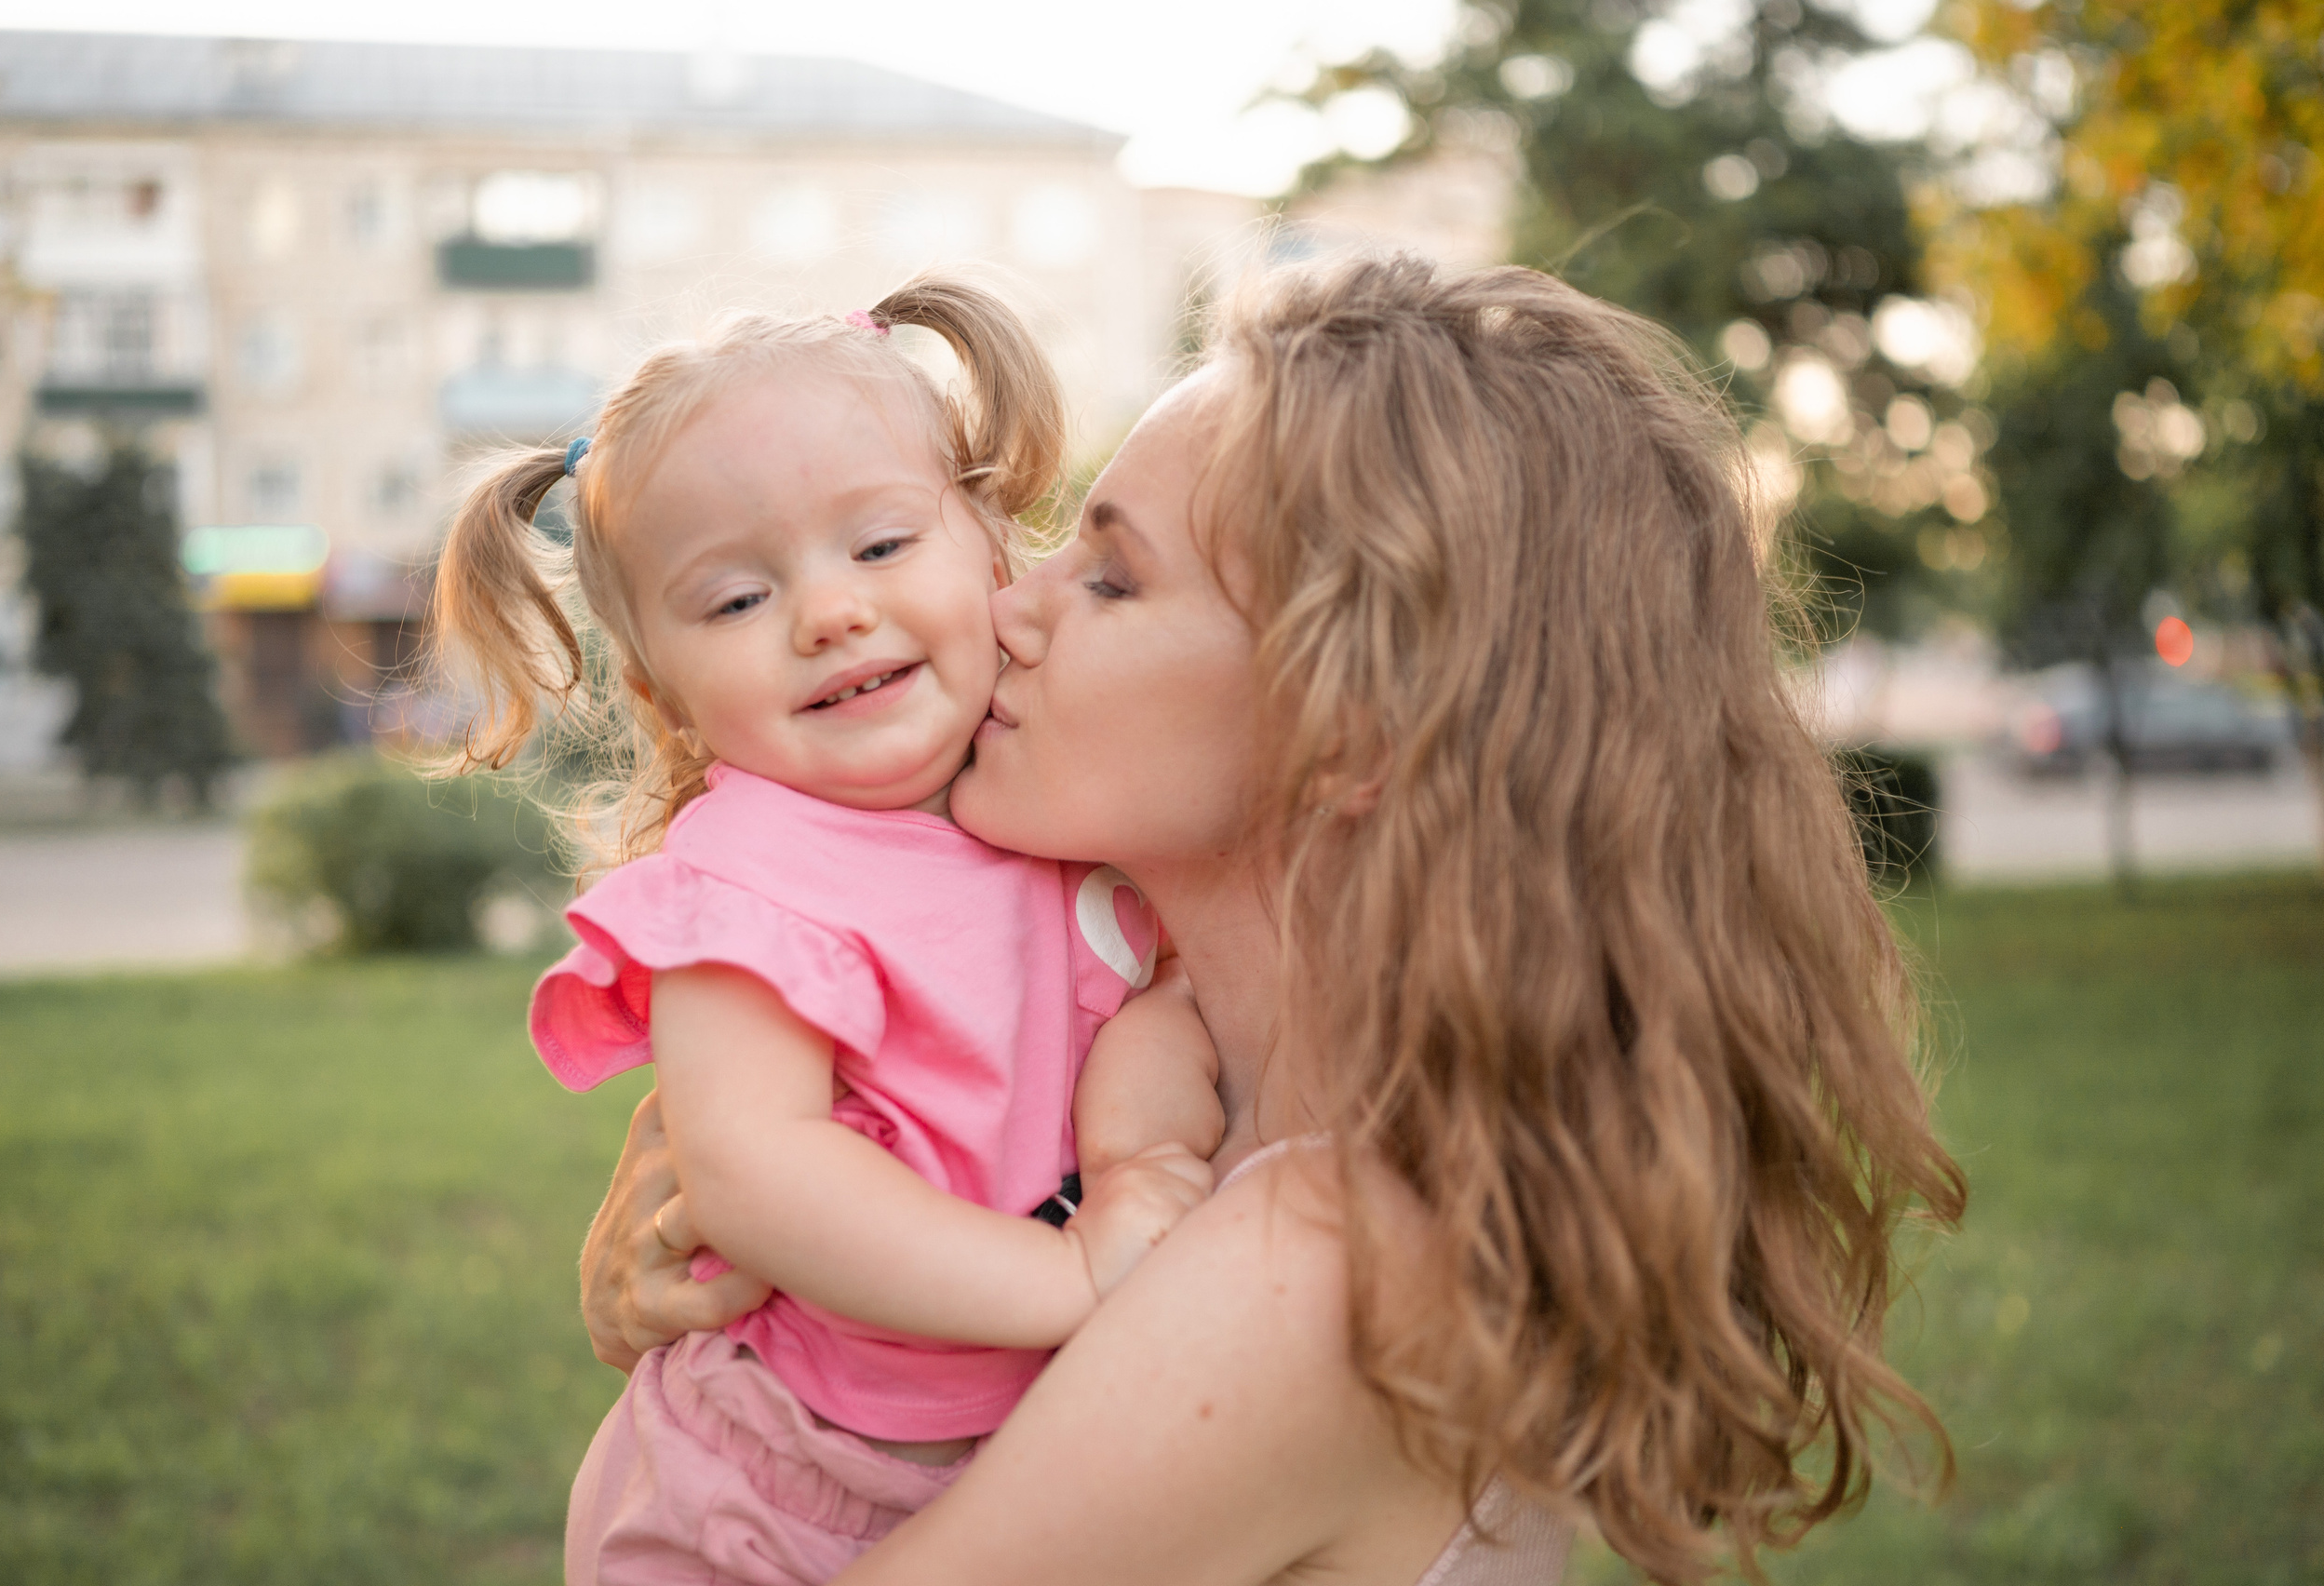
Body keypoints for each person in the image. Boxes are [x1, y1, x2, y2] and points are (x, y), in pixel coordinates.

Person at [578, 254, 1969, 1585]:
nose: (1009, 604)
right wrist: (760, 1250)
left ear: (1349, 724)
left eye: (1111, 578)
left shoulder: (1308, 1270)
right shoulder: (1275, 1097)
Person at [433, 274, 1226, 1585]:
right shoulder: (754, 883)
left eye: (878, 546)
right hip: (780, 1487)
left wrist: (1143, 1160)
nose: (827, 612)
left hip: (1009, 1458)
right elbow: (760, 1173)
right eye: (736, 601)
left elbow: (1145, 1009)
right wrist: (1072, 1277)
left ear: (991, 546)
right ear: (660, 689)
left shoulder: (1049, 801)